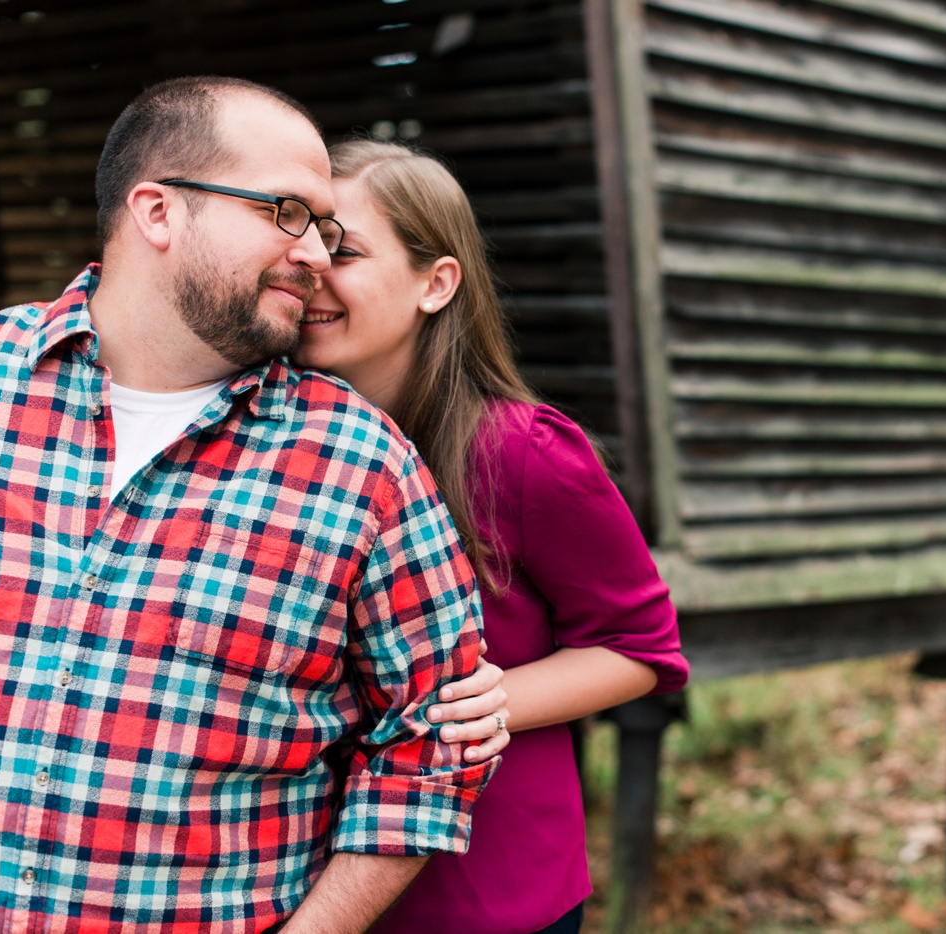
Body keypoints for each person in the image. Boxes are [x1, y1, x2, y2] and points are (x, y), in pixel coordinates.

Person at [0, 77, 505, 933]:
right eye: (288, 213)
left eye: (327, 229)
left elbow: (431, 744)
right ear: (157, 212)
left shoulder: (362, 466)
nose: (320, 255)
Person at [293, 139, 690, 934]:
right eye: (301, 236)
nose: (310, 268)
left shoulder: (522, 452)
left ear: (436, 283)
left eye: (342, 247)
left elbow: (644, 650)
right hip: (303, 886)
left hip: (486, 894)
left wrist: (497, 698)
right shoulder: (270, 443)